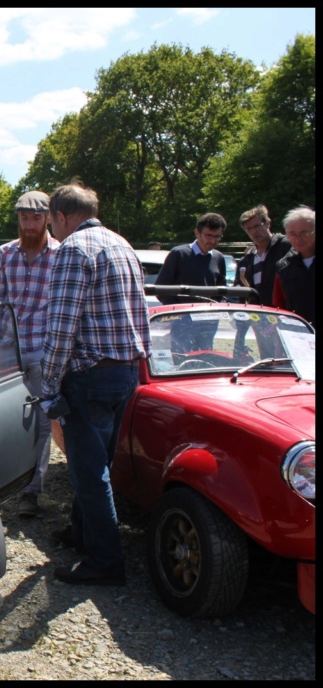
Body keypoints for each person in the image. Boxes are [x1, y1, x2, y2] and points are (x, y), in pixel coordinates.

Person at [41, 183, 150, 587]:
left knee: (89, 472)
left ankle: (105, 561)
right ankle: (81, 533)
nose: (52, 228)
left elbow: (61, 324)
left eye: (51, 220)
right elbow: (141, 311)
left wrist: (49, 384)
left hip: (88, 376)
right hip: (124, 370)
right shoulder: (123, 245)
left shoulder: (73, 249)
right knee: (97, 463)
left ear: (62, 217)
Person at [0, 190, 60, 518]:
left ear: (48, 218)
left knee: (44, 421)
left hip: (45, 352)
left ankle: (33, 489)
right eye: (24, 218)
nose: (29, 225)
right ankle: (1, 487)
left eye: (36, 217)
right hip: (10, 351)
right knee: (5, 418)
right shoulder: (4, 255)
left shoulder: (61, 254)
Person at [155, 212, 228, 351]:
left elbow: (222, 290)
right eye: (208, 235)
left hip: (209, 321)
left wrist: (220, 307)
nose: (212, 241)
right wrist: (179, 313)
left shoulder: (219, 258)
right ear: (197, 233)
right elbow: (161, 288)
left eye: (217, 237)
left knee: (206, 360)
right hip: (183, 321)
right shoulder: (179, 254)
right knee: (182, 361)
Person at [234, 205, 290, 305]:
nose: (254, 232)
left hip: (283, 312)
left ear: (268, 223)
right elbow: (240, 294)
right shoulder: (246, 260)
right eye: (249, 228)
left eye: (257, 226)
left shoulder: (286, 246)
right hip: (259, 314)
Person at [273, 205, 315, 327]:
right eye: (292, 233)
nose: (298, 238)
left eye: (304, 233)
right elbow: (278, 304)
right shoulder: (283, 266)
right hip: (297, 333)